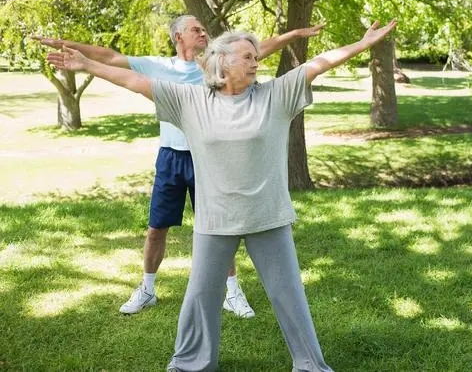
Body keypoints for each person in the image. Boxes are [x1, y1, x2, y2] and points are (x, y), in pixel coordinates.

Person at [46, 18, 396, 372]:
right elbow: (136, 81)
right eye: (247, 56)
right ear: (223, 61)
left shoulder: (276, 95)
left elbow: (319, 63)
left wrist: (362, 44)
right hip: (215, 219)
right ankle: (191, 363)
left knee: (288, 295)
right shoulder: (191, 100)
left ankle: (309, 365)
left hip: (268, 215)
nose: (256, 62)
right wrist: (88, 64)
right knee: (201, 295)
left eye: (256, 56)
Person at [34, 16, 324, 317]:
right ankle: (147, 289)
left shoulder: (215, 63)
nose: (202, 32)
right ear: (178, 37)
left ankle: (233, 292)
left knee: (220, 228)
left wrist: (295, 33)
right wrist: (69, 48)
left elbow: (261, 47)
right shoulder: (158, 67)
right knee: (156, 227)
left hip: (211, 161)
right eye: (195, 29)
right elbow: (110, 58)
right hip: (171, 157)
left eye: (202, 28)